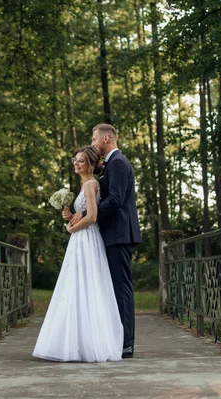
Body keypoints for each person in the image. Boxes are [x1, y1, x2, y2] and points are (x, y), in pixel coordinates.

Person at [32, 145, 123, 362]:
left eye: (81, 161)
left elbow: (92, 217)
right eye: (75, 160)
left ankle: (88, 344)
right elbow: (84, 215)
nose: (76, 163)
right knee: (76, 286)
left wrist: (72, 227)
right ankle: (75, 342)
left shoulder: (92, 185)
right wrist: (71, 215)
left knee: (87, 285)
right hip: (81, 239)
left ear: (91, 164)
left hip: (87, 239)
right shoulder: (85, 186)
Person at [66, 124, 141, 358]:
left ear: (105, 138)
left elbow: (117, 200)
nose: (93, 143)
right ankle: (117, 338)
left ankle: (126, 343)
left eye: (94, 139)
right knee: (114, 289)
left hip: (119, 235)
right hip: (113, 234)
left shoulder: (118, 163)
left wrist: (89, 213)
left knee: (121, 290)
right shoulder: (110, 165)